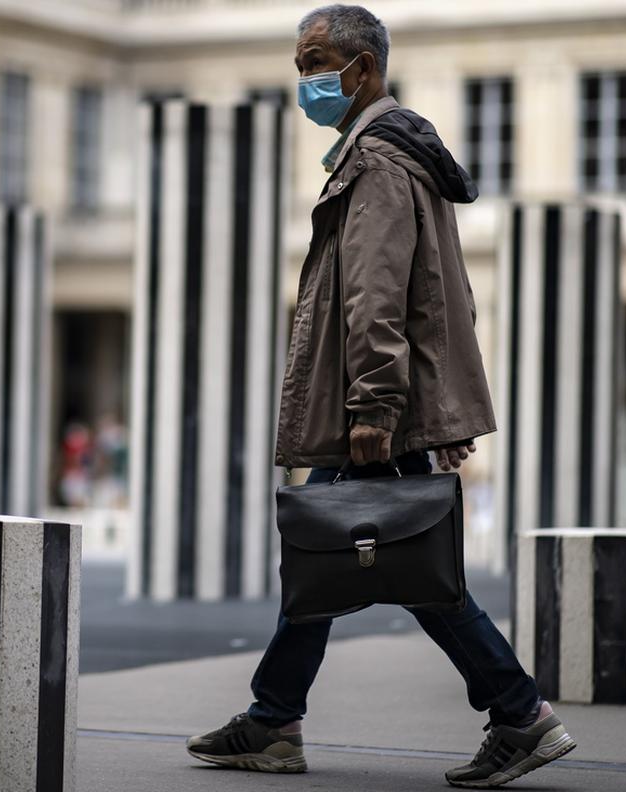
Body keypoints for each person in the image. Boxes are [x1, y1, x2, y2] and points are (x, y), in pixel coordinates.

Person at [184, 6, 576, 788]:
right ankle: (274, 719)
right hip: (390, 406)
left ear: (363, 69)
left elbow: (375, 298)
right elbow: (448, 295)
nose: (306, 80)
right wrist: (436, 412)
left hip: (373, 412)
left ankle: (519, 712)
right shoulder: (397, 154)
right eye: (299, 64)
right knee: (335, 554)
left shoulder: (378, 163)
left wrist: (378, 408)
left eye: (317, 61)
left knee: (397, 564)